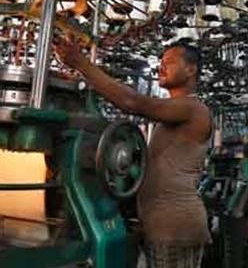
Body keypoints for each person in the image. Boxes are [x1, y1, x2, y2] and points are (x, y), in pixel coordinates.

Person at [55, 37, 212, 268]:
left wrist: (82, 64)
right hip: (161, 226)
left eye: (169, 62)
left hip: (175, 229)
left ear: (191, 69)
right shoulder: (174, 113)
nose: (161, 67)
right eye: (161, 62)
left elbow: (131, 102)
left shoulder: (193, 109)